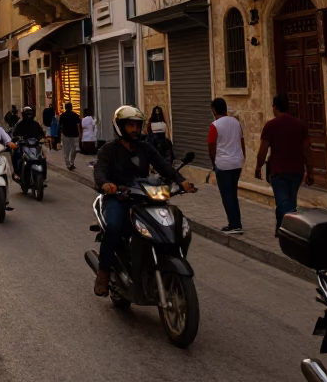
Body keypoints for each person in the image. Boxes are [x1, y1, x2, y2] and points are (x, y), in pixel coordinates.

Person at [92, 106, 195, 296]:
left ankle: (165, 262)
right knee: (113, 226)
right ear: (120, 127)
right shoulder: (109, 150)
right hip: (118, 198)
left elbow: (164, 166)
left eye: (137, 125)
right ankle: (104, 273)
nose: (134, 129)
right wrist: (106, 183)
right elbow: (99, 170)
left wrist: (181, 181)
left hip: (143, 198)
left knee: (175, 224)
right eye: (130, 125)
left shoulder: (145, 148)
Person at [255, 94, 312, 234]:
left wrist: (258, 166)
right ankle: (280, 229)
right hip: (297, 171)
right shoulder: (300, 125)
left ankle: (290, 232)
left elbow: (263, 149)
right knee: (289, 201)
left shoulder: (270, 125)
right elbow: (307, 151)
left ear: (274, 107)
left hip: (279, 171)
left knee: (284, 203)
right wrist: (310, 171)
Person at [207, 98, 245, 235]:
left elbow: (211, 146)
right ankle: (237, 222)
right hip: (236, 163)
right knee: (233, 193)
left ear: (214, 110)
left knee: (226, 195)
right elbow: (242, 141)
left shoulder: (215, 125)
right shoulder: (236, 122)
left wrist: (214, 162)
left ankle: (233, 224)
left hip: (223, 164)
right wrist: (242, 157)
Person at [58, 102, 81, 170]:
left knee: (66, 151)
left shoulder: (62, 116)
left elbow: (60, 126)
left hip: (66, 135)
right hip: (75, 135)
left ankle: (68, 164)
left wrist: (60, 136)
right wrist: (80, 135)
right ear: (71, 107)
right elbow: (78, 126)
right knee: (74, 150)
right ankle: (72, 162)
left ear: (65, 108)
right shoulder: (75, 115)